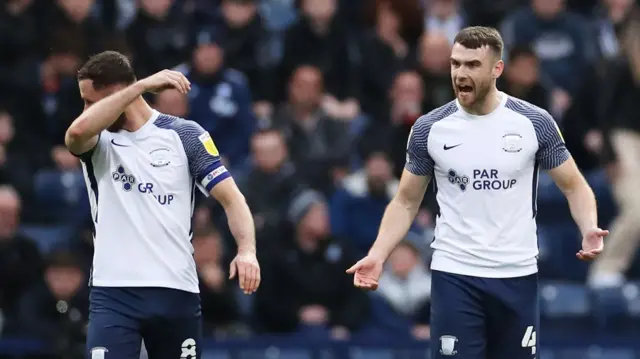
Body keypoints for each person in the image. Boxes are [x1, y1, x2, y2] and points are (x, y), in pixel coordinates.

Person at [346, 27, 608, 359]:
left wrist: (588, 228)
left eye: (472, 64)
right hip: (455, 274)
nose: (461, 73)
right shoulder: (430, 128)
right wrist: (378, 254)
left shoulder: (535, 122)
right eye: (456, 64)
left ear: (497, 69)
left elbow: (574, 186)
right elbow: (406, 201)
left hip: (516, 274)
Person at [64, 51, 260, 359]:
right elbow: (76, 133)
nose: (86, 110)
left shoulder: (185, 135)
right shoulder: (97, 141)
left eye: (91, 101)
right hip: (114, 293)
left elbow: (232, 198)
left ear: (115, 94)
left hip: (176, 291)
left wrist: (247, 250)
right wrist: (141, 87)